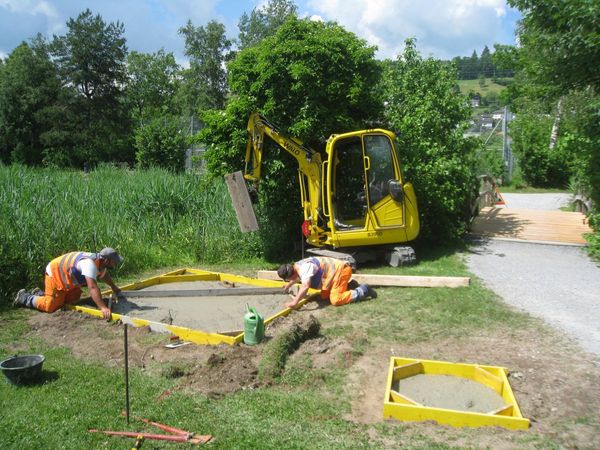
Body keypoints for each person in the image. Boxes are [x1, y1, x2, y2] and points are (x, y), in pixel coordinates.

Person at [13, 248, 125, 320]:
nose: (116, 264)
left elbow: (104, 275)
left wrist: (114, 288)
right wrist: (103, 308)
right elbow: (92, 287)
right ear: (106, 260)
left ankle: (41, 294)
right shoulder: (89, 264)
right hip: (55, 274)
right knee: (50, 306)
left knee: (71, 302)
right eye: (114, 262)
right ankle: (25, 297)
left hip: (69, 280)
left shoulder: (100, 263)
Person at [277, 256, 376, 309]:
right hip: (334, 275)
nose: (290, 280)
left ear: (291, 275)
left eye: (288, 279)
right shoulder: (296, 266)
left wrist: (294, 302)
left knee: (335, 300)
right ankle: (349, 286)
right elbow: (297, 278)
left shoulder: (304, 268)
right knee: (323, 297)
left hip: (341, 271)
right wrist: (288, 285)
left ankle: (364, 290)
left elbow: (305, 286)